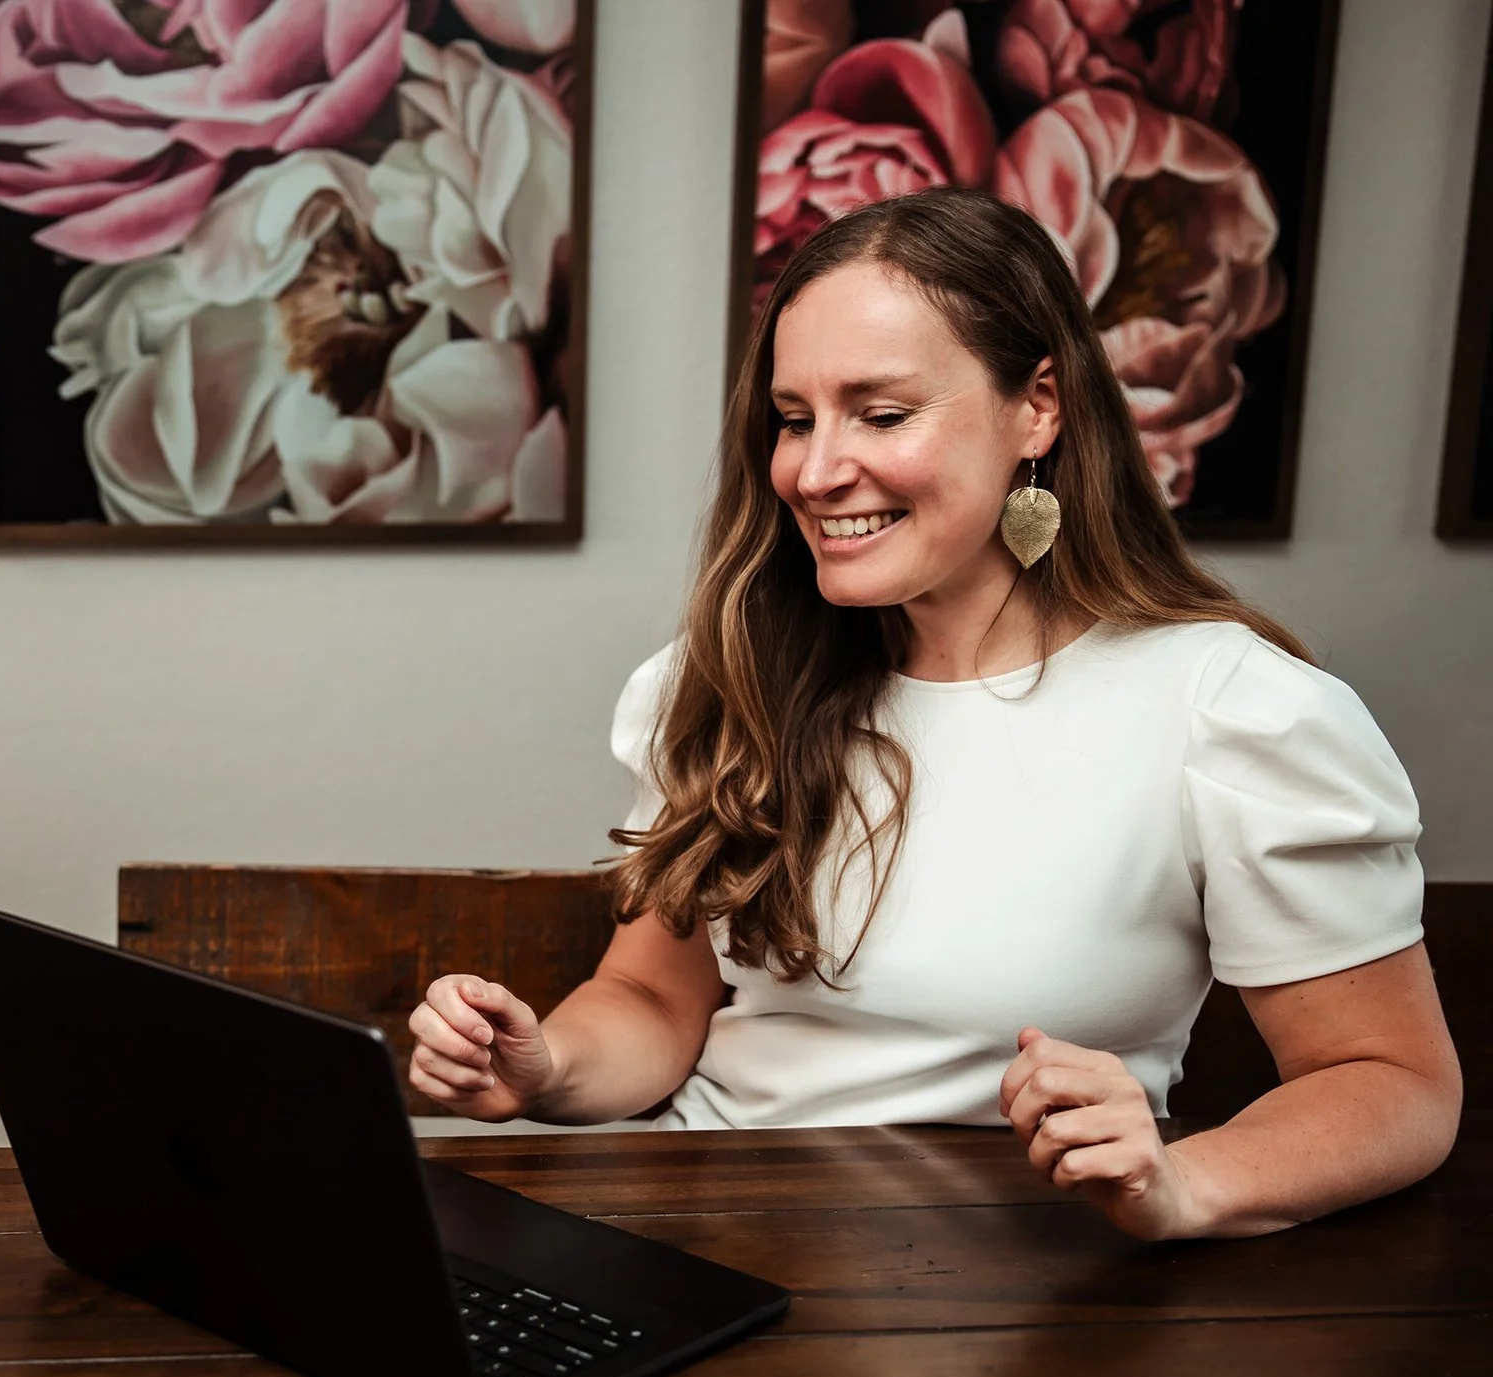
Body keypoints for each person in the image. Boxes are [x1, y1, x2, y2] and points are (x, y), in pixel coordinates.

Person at [407, 187, 1461, 1242]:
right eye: (792, 420)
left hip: (995, 1287)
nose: (815, 472)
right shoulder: (731, 674)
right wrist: (543, 1066)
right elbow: (652, 1001)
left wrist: (1183, 1184)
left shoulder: (1231, 711)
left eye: (880, 413)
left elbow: (1392, 1081)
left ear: (1036, 407)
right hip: (699, 1226)